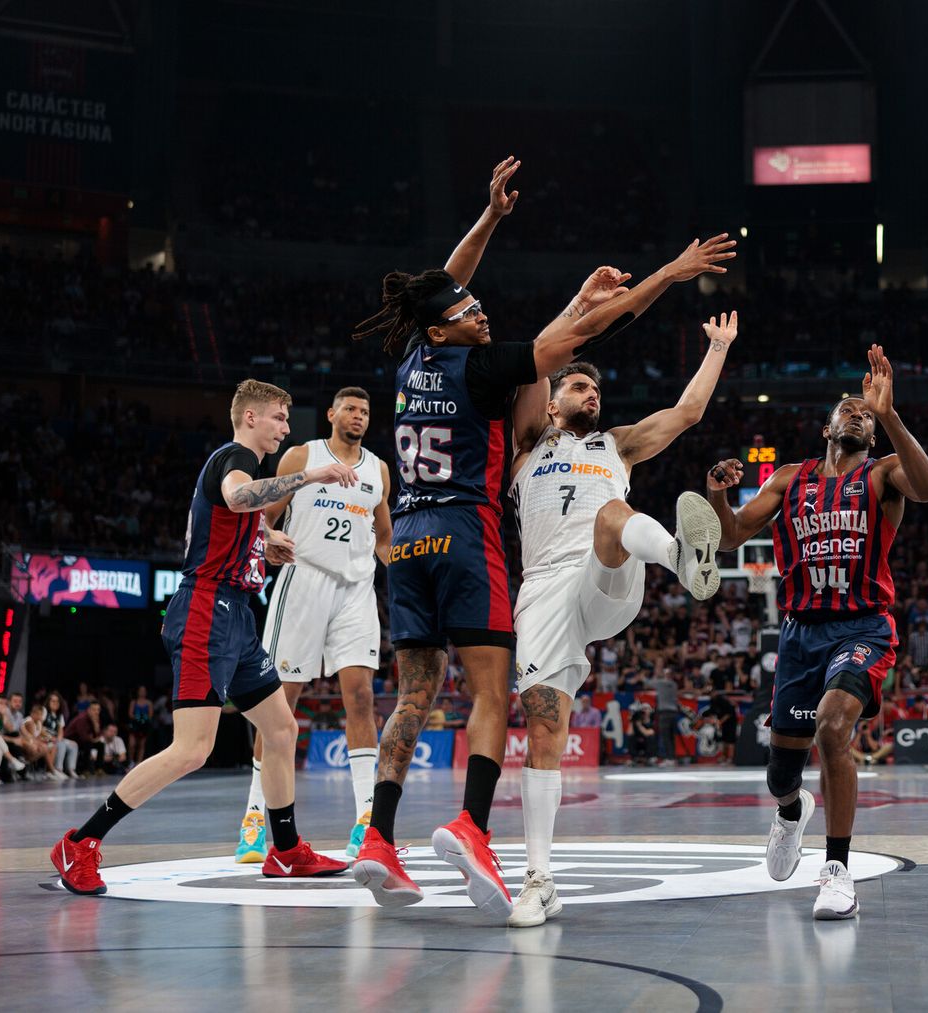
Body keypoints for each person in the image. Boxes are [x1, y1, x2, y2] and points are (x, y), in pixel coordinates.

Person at [346, 156, 735, 915]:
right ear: (551, 401)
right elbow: (575, 329)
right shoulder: (512, 411)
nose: (481, 310)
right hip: (497, 560)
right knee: (524, 707)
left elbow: (443, 292)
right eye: (471, 310)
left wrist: (490, 218)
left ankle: (381, 836)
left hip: (475, 549)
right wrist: (664, 275)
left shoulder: (415, 361)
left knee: (420, 690)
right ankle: (529, 871)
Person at [50, 378, 356, 896]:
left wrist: (265, 539)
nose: (286, 426)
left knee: (281, 730)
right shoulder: (233, 458)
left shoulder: (244, 466)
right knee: (192, 749)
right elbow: (237, 498)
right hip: (204, 613)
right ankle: (79, 842)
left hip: (235, 614)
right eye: (279, 418)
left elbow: (228, 516)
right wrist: (309, 475)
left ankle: (284, 852)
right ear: (251, 417)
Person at [502, 312, 738, 927]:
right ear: (552, 404)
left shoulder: (618, 445)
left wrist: (716, 348)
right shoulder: (524, 448)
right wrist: (576, 313)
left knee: (611, 512)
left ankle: (683, 560)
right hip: (543, 592)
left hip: (605, 575)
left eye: (596, 390)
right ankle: (539, 878)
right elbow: (536, 356)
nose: (592, 396)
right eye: (579, 389)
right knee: (544, 727)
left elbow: (685, 414)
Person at [705, 344, 928, 920]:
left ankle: (836, 870)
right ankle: (790, 812)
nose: (857, 413)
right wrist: (716, 492)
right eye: (849, 409)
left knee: (836, 728)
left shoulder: (883, 474)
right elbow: (731, 537)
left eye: (865, 413)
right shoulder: (790, 479)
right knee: (781, 773)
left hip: (862, 626)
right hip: (799, 635)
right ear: (827, 428)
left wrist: (889, 413)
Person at [233, 385, 393, 863]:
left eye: (365, 411)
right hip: (304, 582)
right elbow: (259, 517)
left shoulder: (378, 469)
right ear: (331, 414)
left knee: (362, 697)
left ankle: (367, 819)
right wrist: (268, 536)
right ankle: (255, 818)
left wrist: (403, 568)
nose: (358, 416)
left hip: (356, 591)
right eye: (350, 408)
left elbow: (383, 536)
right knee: (279, 704)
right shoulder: (302, 456)